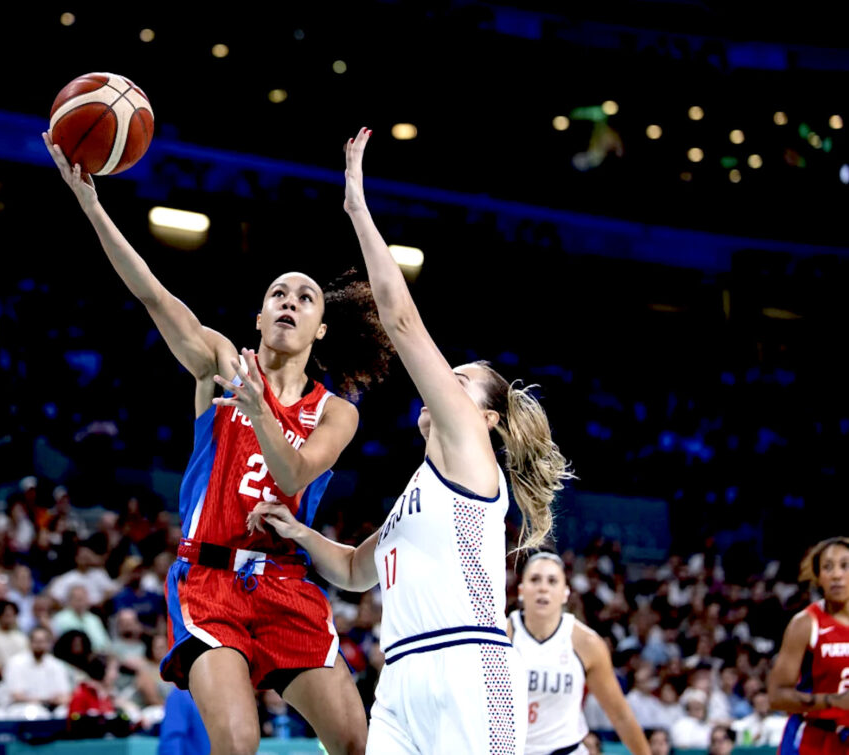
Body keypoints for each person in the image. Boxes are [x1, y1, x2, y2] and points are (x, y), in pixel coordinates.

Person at [44, 130, 394, 755]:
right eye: (277, 295)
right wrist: (91, 204)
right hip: (209, 582)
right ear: (259, 317)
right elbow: (152, 293)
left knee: (353, 744)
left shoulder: (336, 412)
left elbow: (293, 477)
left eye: (304, 298)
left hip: (288, 585)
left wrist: (260, 409)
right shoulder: (221, 367)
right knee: (238, 744)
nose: (289, 302)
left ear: (319, 328)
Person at [248, 127, 574, 754]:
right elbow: (351, 570)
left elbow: (399, 319)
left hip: (467, 670)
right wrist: (298, 535)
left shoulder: (474, 459)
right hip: (399, 681)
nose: (443, 386)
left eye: (460, 384)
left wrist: (358, 209)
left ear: (488, 419)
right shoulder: (416, 493)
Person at [509, 551, 651, 754]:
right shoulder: (502, 636)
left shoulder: (587, 643)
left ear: (565, 592)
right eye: (535, 580)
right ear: (521, 590)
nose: (543, 588)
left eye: (552, 581)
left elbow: (620, 715)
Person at [767, 536, 849, 754]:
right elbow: (776, 697)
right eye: (827, 568)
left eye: (845, 566)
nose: (837, 575)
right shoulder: (806, 624)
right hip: (814, 738)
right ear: (818, 577)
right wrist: (833, 701)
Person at [3, 626, 72, 708]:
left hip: (52, 708)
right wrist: (42, 701)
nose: (39, 645)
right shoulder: (16, 663)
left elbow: (65, 695)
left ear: (49, 644)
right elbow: (16, 696)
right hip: (23, 708)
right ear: (29, 642)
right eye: (36, 641)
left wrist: (55, 700)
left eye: (42, 641)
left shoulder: (57, 665)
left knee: (64, 711)